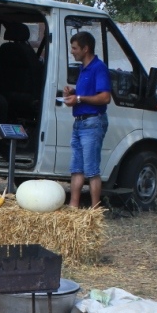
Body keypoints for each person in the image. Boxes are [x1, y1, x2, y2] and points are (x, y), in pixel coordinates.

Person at [63, 31, 111, 208]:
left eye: (75, 48)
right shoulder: (83, 68)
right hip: (80, 122)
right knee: (76, 167)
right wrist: (74, 94)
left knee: (92, 170)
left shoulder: (98, 67)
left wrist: (79, 99)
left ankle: (95, 210)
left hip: (92, 122)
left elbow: (105, 97)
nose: (72, 51)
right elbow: (86, 95)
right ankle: (73, 207)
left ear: (86, 48)